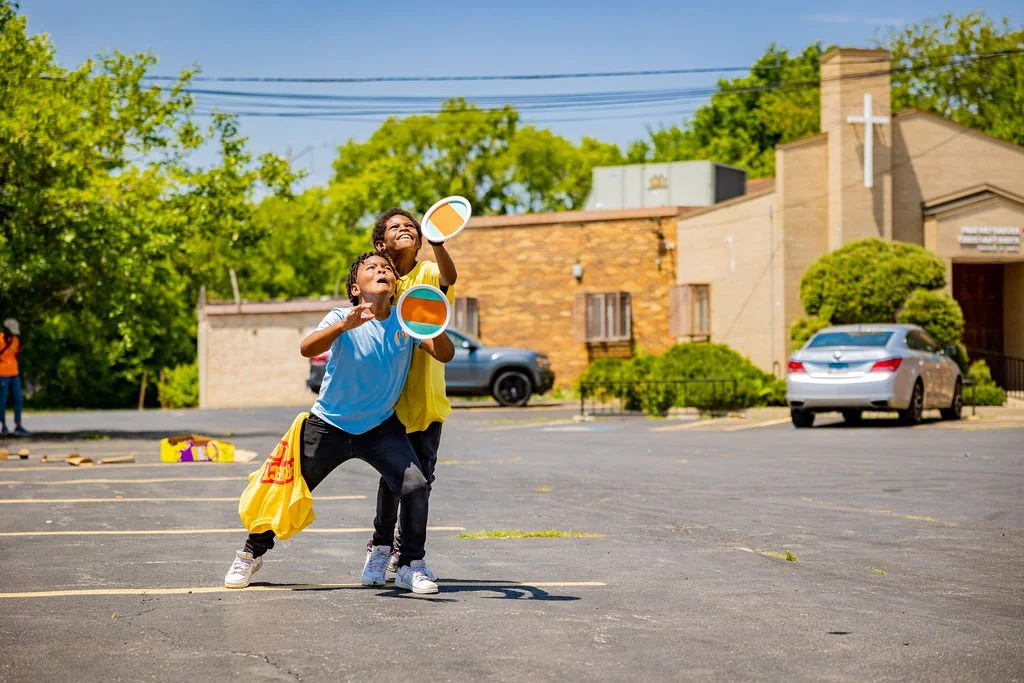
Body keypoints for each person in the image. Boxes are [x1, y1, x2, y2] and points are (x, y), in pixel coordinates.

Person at [223, 252, 455, 593]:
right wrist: (343, 325)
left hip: (380, 426)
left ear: (394, 286)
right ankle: (250, 554)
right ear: (355, 288)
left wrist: (433, 323)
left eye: (387, 269)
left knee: (415, 485)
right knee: (284, 490)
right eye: (372, 268)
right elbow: (306, 348)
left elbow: (445, 353)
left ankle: (409, 564)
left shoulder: (406, 321)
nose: (382, 271)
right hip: (329, 424)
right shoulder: (340, 316)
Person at [361, 208, 457, 586]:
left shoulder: (428, 272)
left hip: (427, 398)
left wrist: (439, 243)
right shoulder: (378, 276)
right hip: (389, 400)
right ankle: (380, 546)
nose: (405, 230)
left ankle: (406, 555)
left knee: (422, 481)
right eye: (395, 227)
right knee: (393, 479)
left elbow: (449, 276)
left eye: (411, 227)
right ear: (380, 242)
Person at [0, 319, 29, 437]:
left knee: (18, 398)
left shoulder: (16, 340)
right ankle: (3, 425)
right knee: (2, 400)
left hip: (14, 372)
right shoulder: (0, 339)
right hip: (2, 374)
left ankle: (18, 425)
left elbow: (15, 354)